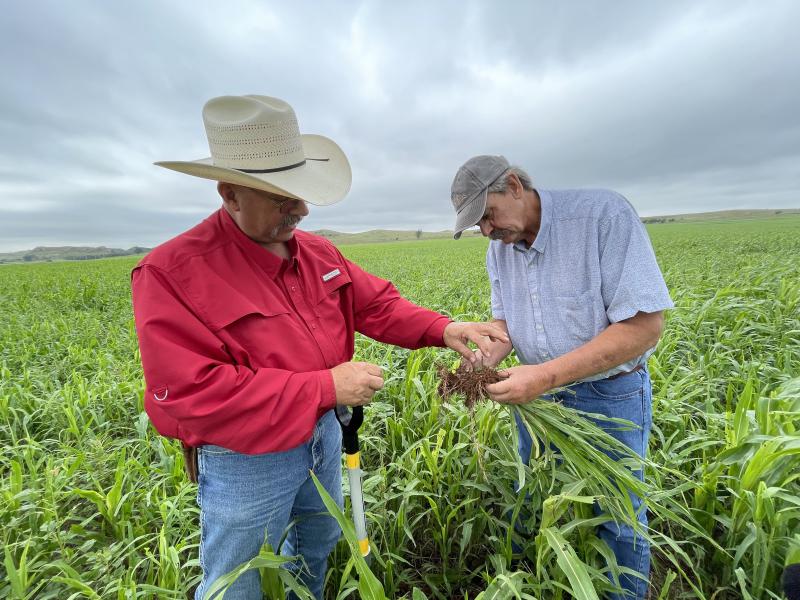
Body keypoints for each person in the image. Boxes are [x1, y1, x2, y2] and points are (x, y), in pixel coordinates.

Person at [131, 95, 507, 600]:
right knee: (240, 583)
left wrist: (443, 328)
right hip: (247, 461)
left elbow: (377, 306)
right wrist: (325, 386)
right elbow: (187, 394)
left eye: (301, 194)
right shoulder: (172, 273)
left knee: (317, 547)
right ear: (230, 194)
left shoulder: (318, 252)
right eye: (283, 198)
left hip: (323, 439)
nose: (302, 210)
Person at [449, 155, 674, 600]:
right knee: (534, 495)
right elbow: (508, 326)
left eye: (487, 216)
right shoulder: (500, 250)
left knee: (619, 513)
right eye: (478, 225)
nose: (487, 232)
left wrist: (545, 377)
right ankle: (542, 582)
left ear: (513, 185)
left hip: (609, 395)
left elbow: (644, 327)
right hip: (536, 401)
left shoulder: (602, 217)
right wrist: (480, 363)